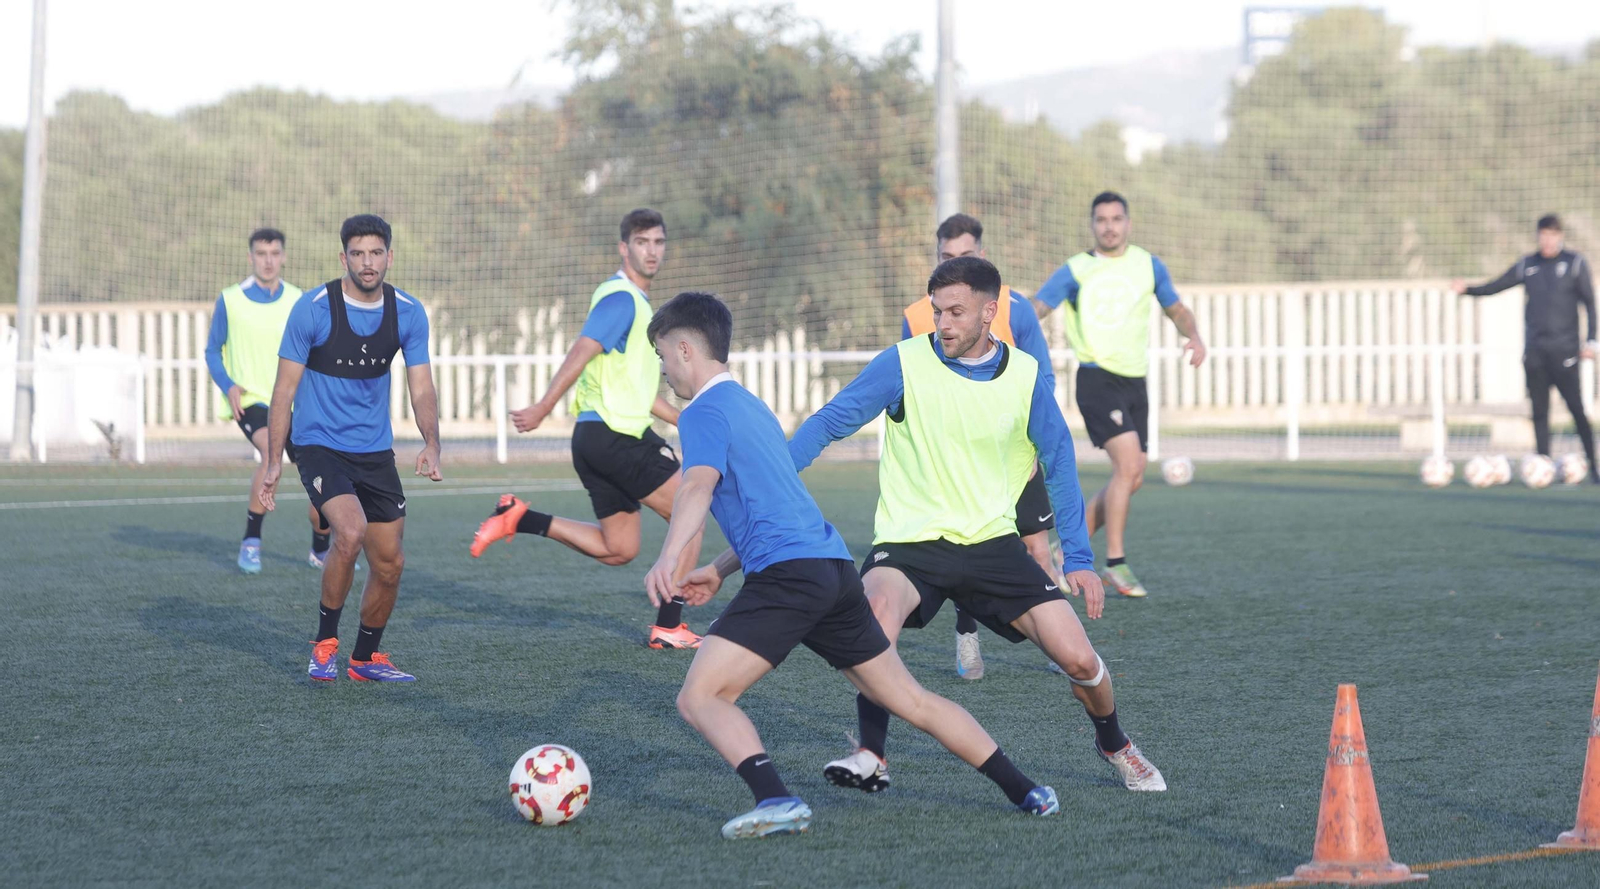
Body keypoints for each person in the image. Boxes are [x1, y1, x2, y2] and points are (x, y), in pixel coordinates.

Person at [640, 291, 1060, 839]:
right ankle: (1027, 790)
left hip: (789, 577)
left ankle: (776, 800)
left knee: (700, 696)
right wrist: (720, 568)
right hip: (833, 570)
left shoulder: (701, 412)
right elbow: (779, 506)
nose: (664, 370)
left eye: (662, 355)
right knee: (910, 699)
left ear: (685, 348)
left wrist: (668, 558)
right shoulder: (750, 406)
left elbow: (696, 485)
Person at [794, 256, 1167, 795]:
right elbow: (830, 421)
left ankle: (1115, 744)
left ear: (990, 312)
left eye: (956, 312)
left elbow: (1060, 461)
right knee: (875, 622)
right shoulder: (902, 363)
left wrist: (1080, 558)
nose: (943, 324)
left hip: (993, 543)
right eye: (937, 312)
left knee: (1081, 660)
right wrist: (776, 475)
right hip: (911, 541)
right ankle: (871, 754)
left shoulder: (1024, 375)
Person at [470, 208, 703, 650]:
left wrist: (682, 419)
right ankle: (669, 625)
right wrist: (544, 406)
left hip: (596, 439)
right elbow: (583, 349)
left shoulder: (638, 304)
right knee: (689, 512)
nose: (652, 251)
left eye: (658, 242)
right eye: (642, 242)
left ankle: (520, 518)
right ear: (624, 248)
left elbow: (633, 391)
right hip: (616, 437)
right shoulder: (622, 299)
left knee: (620, 548)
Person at [259, 214, 442, 683]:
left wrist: (431, 443)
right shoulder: (312, 309)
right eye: (358, 254)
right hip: (318, 444)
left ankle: (365, 659)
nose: (367, 262)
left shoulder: (408, 312)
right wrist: (273, 461)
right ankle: (324, 646)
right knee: (351, 531)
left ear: (390, 257)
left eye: (376, 253)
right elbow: (283, 391)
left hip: (375, 451)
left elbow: (421, 386)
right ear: (343, 258)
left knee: (391, 562)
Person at [902, 212, 1060, 681]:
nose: (955, 262)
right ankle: (967, 638)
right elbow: (914, 384)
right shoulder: (917, 316)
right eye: (947, 256)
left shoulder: (1016, 308)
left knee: (1038, 549)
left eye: (965, 254)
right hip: (959, 460)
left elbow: (1043, 379)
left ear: (982, 255)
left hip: (1014, 452)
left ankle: (1057, 643)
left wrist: (1031, 446)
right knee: (961, 548)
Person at [1033, 191, 1207, 599]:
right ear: (1092, 225)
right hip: (1096, 379)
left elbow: (1176, 310)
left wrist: (1195, 335)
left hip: (1134, 382)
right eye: (1101, 220)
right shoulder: (1076, 270)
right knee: (1127, 466)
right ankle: (1114, 562)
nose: (1109, 226)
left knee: (1134, 476)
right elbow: (1036, 308)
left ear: (1128, 223)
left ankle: (1062, 551)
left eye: (1116, 219)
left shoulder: (1148, 265)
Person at [203, 228, 326, 574]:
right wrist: (228, 386)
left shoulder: (300, 300)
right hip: (253, 401)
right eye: (261, 254)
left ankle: (321, 549)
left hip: (298, 403)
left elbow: (316, 351)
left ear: (283, 257)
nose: (268, 261)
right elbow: (212, 350)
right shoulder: (230, 300)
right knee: (271, 453)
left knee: (321, 471)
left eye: (274, 253)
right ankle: (251, 541)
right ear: (250, 257)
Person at [1452, 214, 1599, 480]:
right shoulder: (1528, 265)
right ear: (1538, 236)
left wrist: (1591, 341)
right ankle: (1543, 467)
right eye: (1543, 235)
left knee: (1577, 410)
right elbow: (1496, 285)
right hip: (1535, 351)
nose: (1548, 240)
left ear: (1560, 236)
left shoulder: (1574, 263)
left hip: (1566, 351)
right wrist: (1468, 290)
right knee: (1539, 412)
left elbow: (1589, 303)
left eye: (1552, 235)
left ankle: (1594, 467)